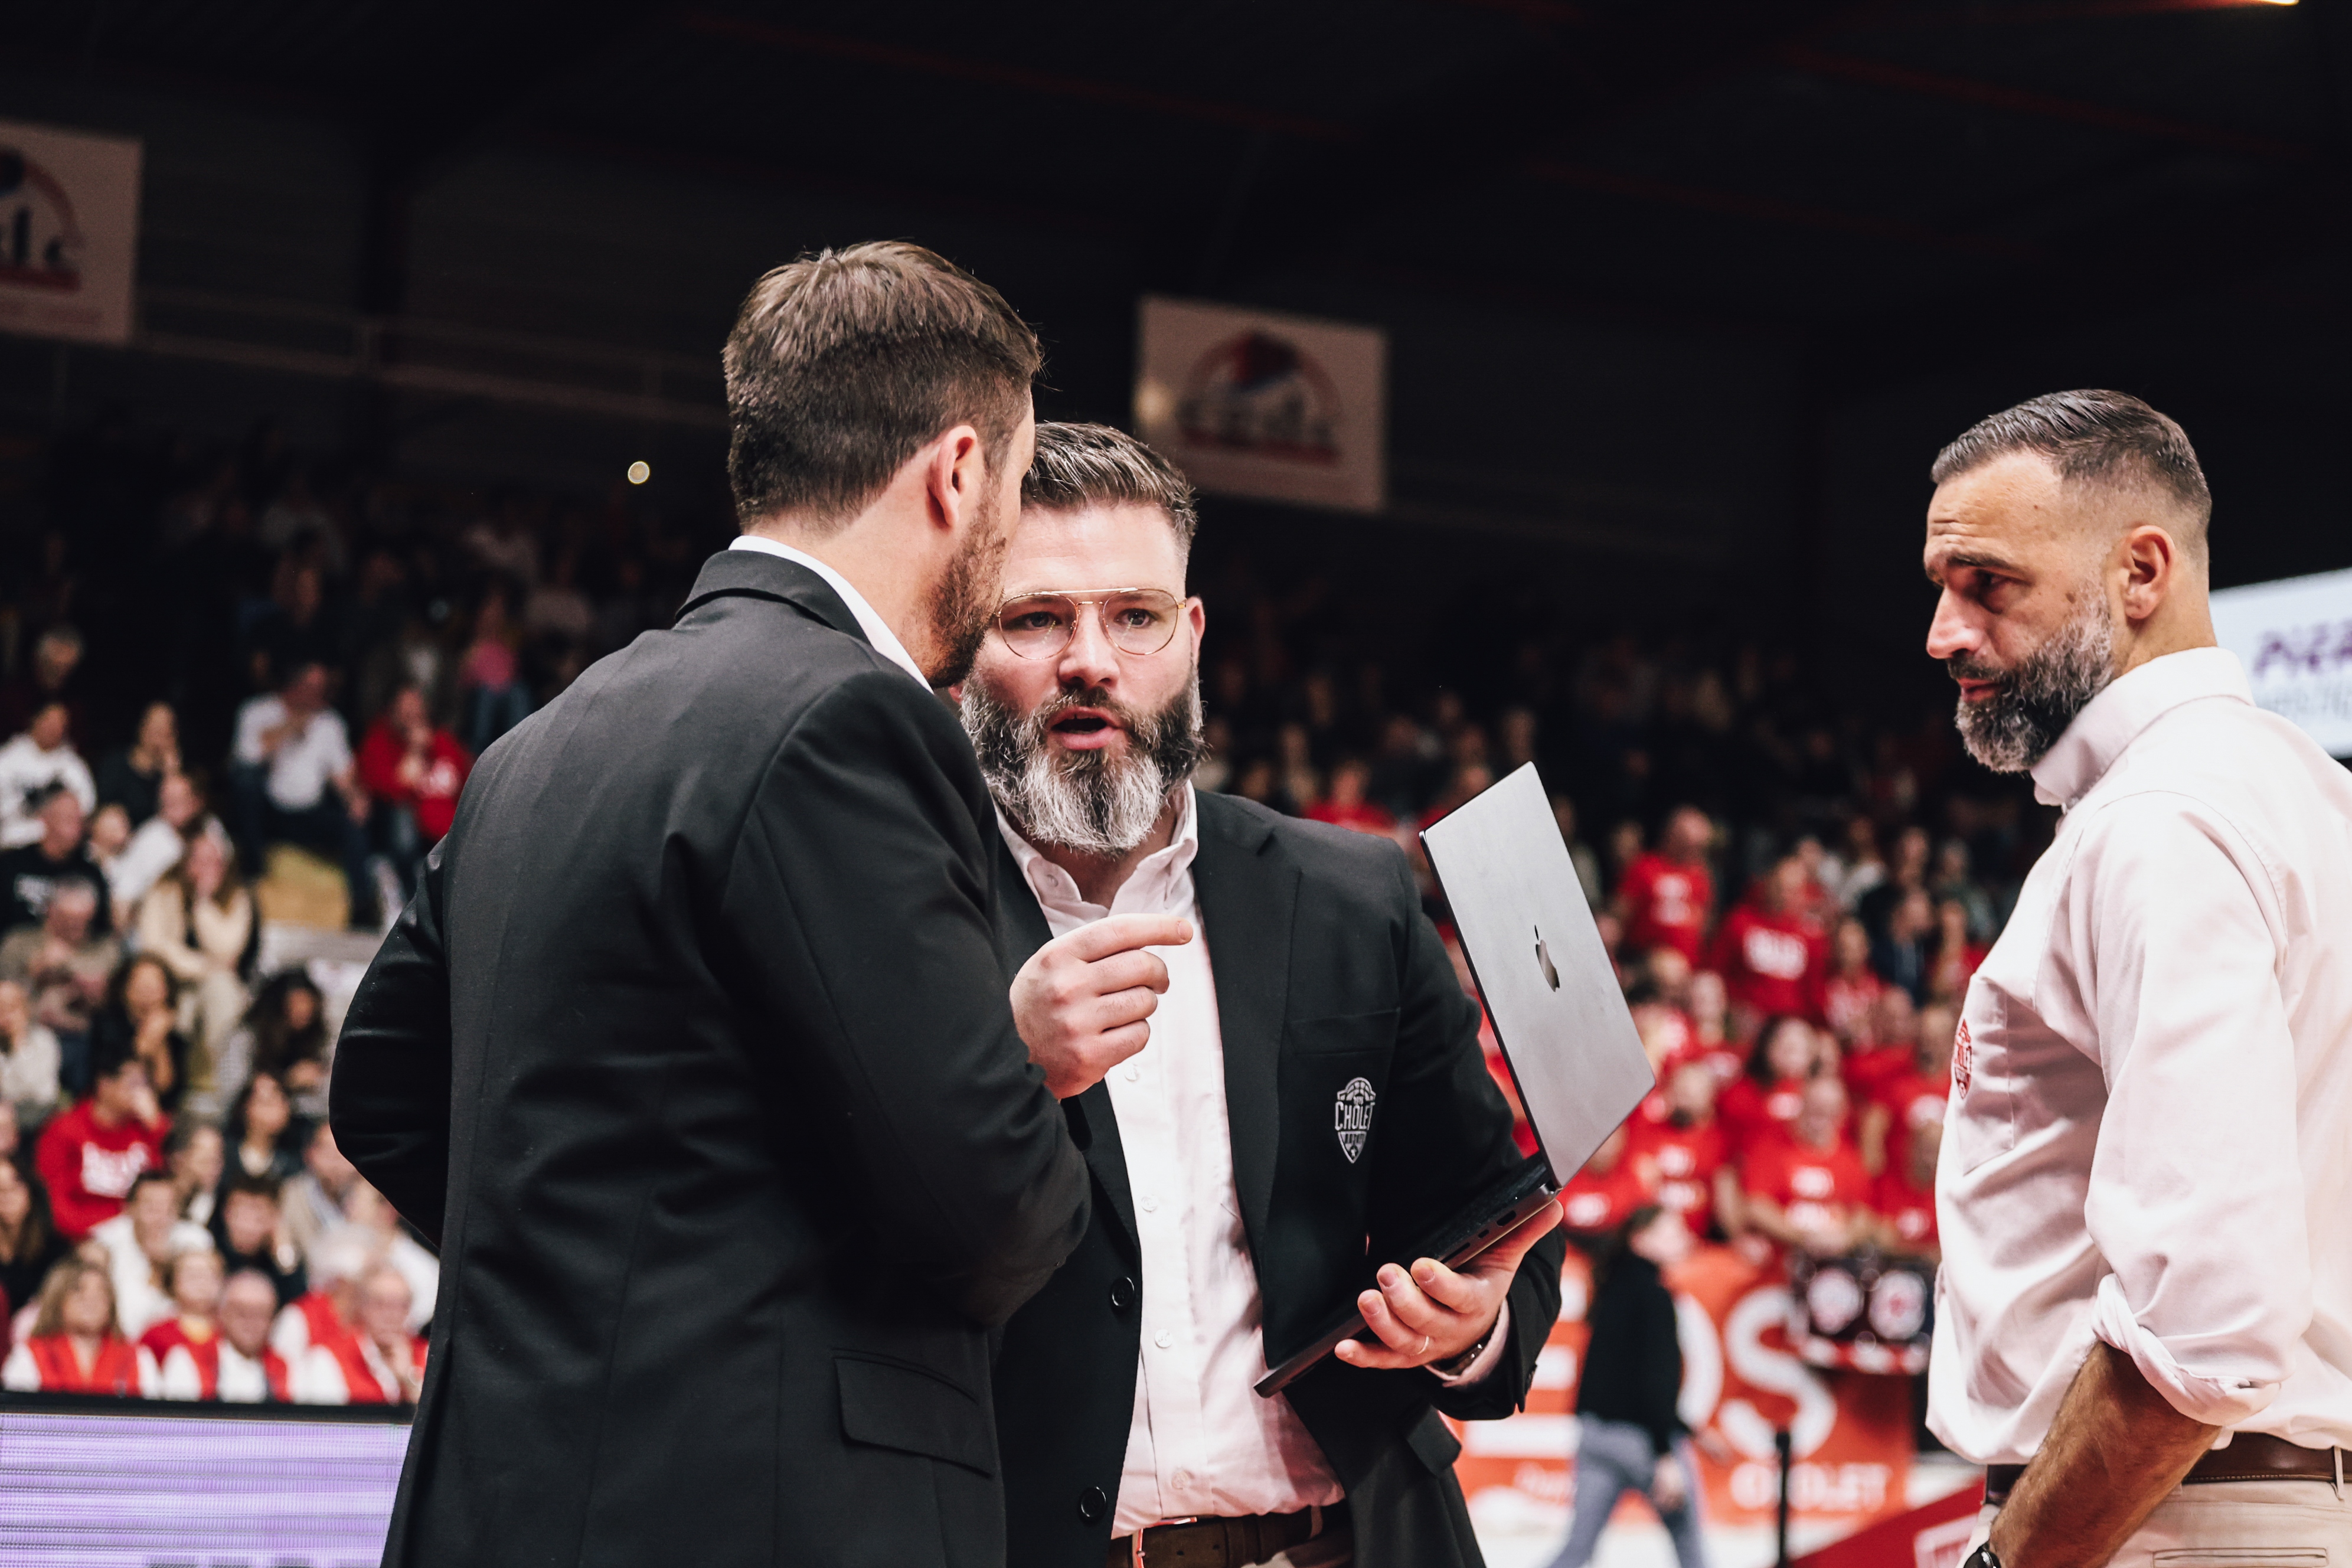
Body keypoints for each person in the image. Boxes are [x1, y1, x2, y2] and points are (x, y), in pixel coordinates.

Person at [330, 241, 1154, 1568]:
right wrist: (1019, 1070)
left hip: (500, 1497)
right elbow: (989, 1219)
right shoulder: (850, 716)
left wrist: (618, 1280)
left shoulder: (539, 742)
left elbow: (378, 1089)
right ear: (957, 472)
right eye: (1010, 487)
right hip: (766, 1510)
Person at [966, 423, 1565, 1568]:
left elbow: (1495, 1213)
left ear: (1190, 638)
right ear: (963, 645)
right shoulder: (903, 907)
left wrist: (1472, 1320)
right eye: (1036, 616)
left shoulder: (1355, 892)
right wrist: (1003, 1068)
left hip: (1354, 1538)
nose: (1091, 656)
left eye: (1135, 615)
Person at [1920, 391, 2352, 1562]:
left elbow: (2205, 1323)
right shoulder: (2302, 787)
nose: (1944, 633)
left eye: (1987, 583)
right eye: (1939, 587)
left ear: (2141, 572)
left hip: (2169, 1523)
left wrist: (2015, 1557)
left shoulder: (2162, 819)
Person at [1545, 1206, 1707, 1568]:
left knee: (1575, 1552)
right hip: (1642, 1441)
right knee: (1692, 1548)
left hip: (1595, 1436)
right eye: (1672, 1228)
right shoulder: (1656, 1296)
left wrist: (1688, 1428)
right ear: (1641, 1240)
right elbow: (1656, 1380)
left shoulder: (1610, 1285)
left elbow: (1624, 1376)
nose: (1685, 1235)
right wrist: (1666, 1454)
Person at [229, 660, 374, 927]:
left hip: (310, 813)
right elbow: (243, 762)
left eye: (322, 687)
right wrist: (287, 729)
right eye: (310, 686)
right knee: (246, 785)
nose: (317, 694)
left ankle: (361, 906)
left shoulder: (329, 722)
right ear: (292, 684)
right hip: (269, 812)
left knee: (353, 823)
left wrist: (356, 799)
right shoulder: (257, 711)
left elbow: (343, 776)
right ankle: (255, 878)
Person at [135, 829, 254, 1073]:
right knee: (181, 1004)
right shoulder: (162, 892)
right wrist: (205, 966)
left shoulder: (238, 898)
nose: (206, 868)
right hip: (170, 981)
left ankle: (222, 1073)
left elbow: (228, 949)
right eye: (199, 860)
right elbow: (155, 948)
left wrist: (203, 904)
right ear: (186, 862)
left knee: (222, 990)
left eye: (214, 862)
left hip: (214, 984)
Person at [34, 1046, 167, 1240]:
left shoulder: (147, 1128)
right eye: (133, 1084)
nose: (141, 1093)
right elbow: (54, 1203)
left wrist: (157, 1128)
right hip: (82, 1238)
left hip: (141, 1234)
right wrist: (104, 1230)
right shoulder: (64, 1130)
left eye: (145, 1084)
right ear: (105, 1084)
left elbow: (164, 1185)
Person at [354, 685, 471, 899]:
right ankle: (405, 895)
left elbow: (468, 783)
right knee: (403, 821)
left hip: (446, 830)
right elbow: (392, 789)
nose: (412, 716)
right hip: (403, 829)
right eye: (405, 709)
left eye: (416, 709)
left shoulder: (445, 743)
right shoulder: (379, 740)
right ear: (393, 711)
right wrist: (415, 751)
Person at [1736, 1076, 1868, 1259]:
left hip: (1834, 1257)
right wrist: (1803, 1238)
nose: (1821, 1114)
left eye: (1830, 1109)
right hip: (1779, 1256)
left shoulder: (1850, 1158)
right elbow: (1757, 1206)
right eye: (1815, 1106)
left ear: (1842, 1114)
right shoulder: (1770, 1147)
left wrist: (1846, 1238)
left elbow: (1863, 1213)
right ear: (1802, 1104)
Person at [1707, 854, 1825, 1031]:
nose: (1785, 895)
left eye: (1793, 890)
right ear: (1768, 883)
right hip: (1743, 1021)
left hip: (1791, 1025)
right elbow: (1717, 970)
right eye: (1780, 887)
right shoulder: (1739, 922)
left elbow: (1814, 991)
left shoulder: (1812, 936)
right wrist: (1731, 1008)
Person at [90, 1167, 210, 1338]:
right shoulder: (105, 1245)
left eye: (169, 1209)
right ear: (129, 1210)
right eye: (152, 1209)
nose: (162, 1219)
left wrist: (166, 1269)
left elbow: (203, 1309)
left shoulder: (196, 1241)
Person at [1, 1253, 142, 1394]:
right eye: (79, 1289)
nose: (92, 1298)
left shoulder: (137, 1358)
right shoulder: (30, 1355)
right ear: (58, 1298)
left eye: (102, 1291)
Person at [290, 1261, 424, 1406]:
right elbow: (327, 1423)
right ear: (362, 1307)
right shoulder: (327, 1358)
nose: (391, 1315)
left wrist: (409, 1379)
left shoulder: (428, 1354)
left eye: (401, 1306)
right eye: (379, 1304)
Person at [0, 784, 111, 935]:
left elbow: (101, 931)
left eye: (79, 821)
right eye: (68, 820)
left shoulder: (91, 874)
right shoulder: (11, 865)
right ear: (46, 819)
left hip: (74, 953)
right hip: (17, 949)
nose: (76, 829)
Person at [213, 972, 328, 1116]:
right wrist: (285, 1082)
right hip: (245, 1119)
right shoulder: (247, 1038)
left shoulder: (318, 1038)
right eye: (297, 1003)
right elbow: (230, 1091)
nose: (303, 1011)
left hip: (299, 1121)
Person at [90, 953, 192, 1114]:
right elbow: (103, 1082)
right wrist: (141, 1047)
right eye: (140, 987)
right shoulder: (104, 1027)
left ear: (168, 993)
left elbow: (168, 1096)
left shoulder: (178, 1041)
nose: (147, 996)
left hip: (156, 1121)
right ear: (124, 990)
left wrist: (158, 1044)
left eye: (154, 988)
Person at [1614, 806, 1715, 965]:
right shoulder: (1644, 867)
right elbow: (1619, 914)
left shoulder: (1701, 877)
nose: (1693, 852)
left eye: (1699, 847)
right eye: (1688, 844)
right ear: (1672, 836)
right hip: (1644, 958)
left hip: (1688, 964)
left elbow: (1704, 924)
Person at [0, 702, 96, 850]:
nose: (54, 728)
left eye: (60, 724)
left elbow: (87, 807)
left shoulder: (73, 766)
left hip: (57, 848)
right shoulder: (8, 758)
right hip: (12, 842)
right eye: (49, 721)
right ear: (35, 721)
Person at [137, 1244, 229, 1398]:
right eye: (192, 1275)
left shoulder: (232, 1334)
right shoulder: (155, 1335)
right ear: (173, 1281)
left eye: (209, 1275)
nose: (201, 1282)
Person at [211, 1171, 305, 1308]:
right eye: (242, 1215)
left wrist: (283, 1249)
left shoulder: (278, 1261)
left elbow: (298, 1305)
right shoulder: (211, 1253)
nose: (248, 1226)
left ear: (274, 1218)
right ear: (226, 1213)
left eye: (258, 1218)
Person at [278, 1118, 354, 1263]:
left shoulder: (369, 1198)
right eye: (329, 1153)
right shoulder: (288, 1196)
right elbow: (286, 1257)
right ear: (310, 1153)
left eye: (344, 1153)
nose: (337, 1163)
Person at [94, 700, 181, 828]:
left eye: (165, 730)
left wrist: (172, 774)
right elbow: (104, 810)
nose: (157, 736)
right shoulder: (115, 765)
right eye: (154, 728)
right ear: (142, 727)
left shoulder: (168, 777)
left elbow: (177, 817)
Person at [0, 1160, 70, 1317]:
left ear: (31, 1191)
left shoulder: (55, 1249)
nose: (6, 1196)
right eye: (0, 1189)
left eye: (15, 1186)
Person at [213, 1268, 293, 1402]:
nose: (251, 1322)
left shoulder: (285, 1368)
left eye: (261, 1314)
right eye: (241, 1313)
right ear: (222, 1314)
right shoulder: (192, 1361)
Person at [224, 1070, 302, 1187]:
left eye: (282, 1099)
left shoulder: (293, 1163)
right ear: (246, 1108)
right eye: (267, 1102)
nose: (280, 1107)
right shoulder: (224, 1155)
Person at [0, 978, 60, 1126]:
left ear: (26, 1009)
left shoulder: (44, 1041)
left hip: (39, 1117)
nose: (6, 1016)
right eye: (1, 1009)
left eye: (12, 1008)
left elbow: (44, 1094)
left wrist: (18, 1043)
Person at [166, 1119, 224, 1227]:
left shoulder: (214, 1204)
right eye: (204, 1162)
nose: (214, 1171)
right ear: (178, 1161)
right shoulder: (154, 1199)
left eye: (217, 1162)